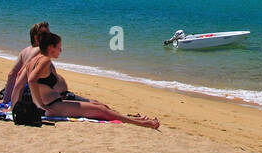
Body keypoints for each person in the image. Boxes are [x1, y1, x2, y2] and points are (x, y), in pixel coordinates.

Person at [13, 31, 158, 129]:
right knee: (101, 110)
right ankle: (145, 124)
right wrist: (39, 105)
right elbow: (31, 80)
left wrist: (17, 104)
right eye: (59, 47)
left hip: (54, 104)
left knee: (101, 106)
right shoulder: (44, 60)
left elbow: (20, 82)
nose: (61, 50)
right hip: (52, 106)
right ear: (51, 47)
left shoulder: (33, 60)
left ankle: (137, 120)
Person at [1, 21, 50, 103]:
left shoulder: (25, 51)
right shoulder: (40, 50)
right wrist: (14, 104)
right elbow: (21, 74)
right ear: (36, 37)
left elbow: (12, 74)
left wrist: (6, 100)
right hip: (31, 96)